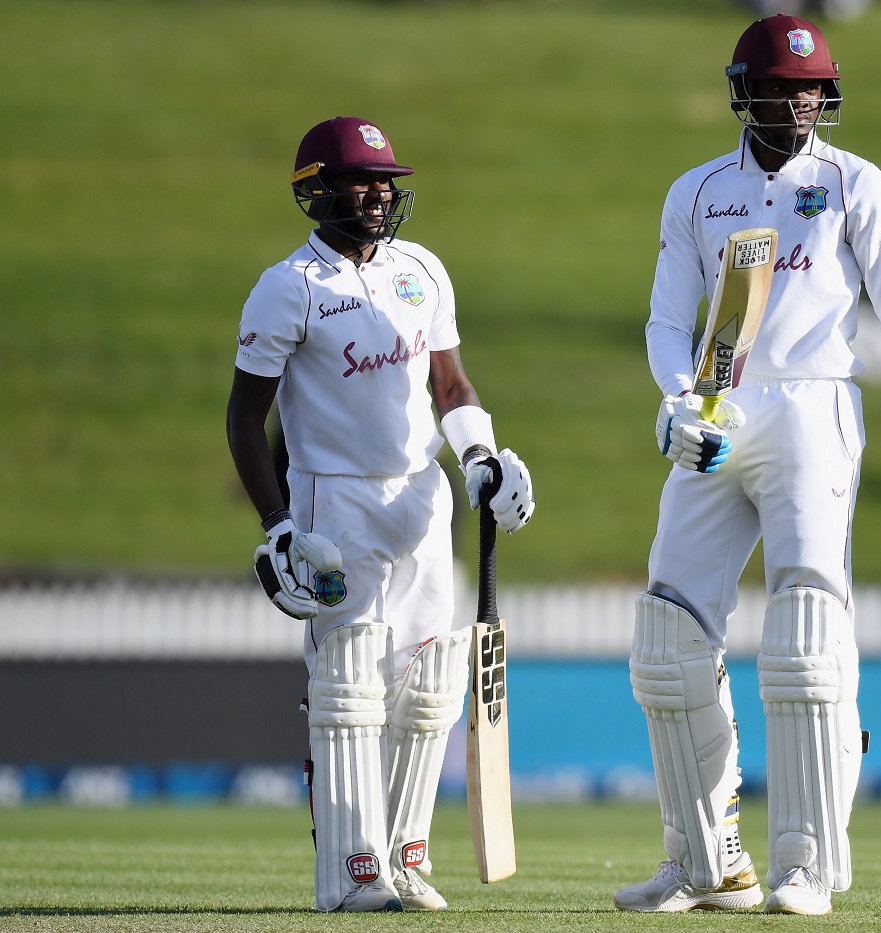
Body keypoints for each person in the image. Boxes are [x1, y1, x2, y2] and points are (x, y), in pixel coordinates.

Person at [616, 16, 881, 917]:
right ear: (744, 90)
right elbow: (668, 320)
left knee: (804, 638)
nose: (796, 104)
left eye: (810, 89)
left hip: (815, 407)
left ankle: (806, 862)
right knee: (667, 638)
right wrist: (678, 401)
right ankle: (706, 862)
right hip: (722, 405)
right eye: (780, 88)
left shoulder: (854, 183)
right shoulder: (697, 192)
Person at [225, 116, 535, 913]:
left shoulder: (421, 269)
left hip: (422, 498)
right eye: (361, 181)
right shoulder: (289, 285)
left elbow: (450, 386)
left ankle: (403, 856)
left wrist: (480, 455)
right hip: (335, 502)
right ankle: (352, 871)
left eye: (386, 181)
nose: (378, 194)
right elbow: (244, 419)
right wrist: (278, 524)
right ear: (316, 190)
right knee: (349, 685)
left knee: (426, 686)